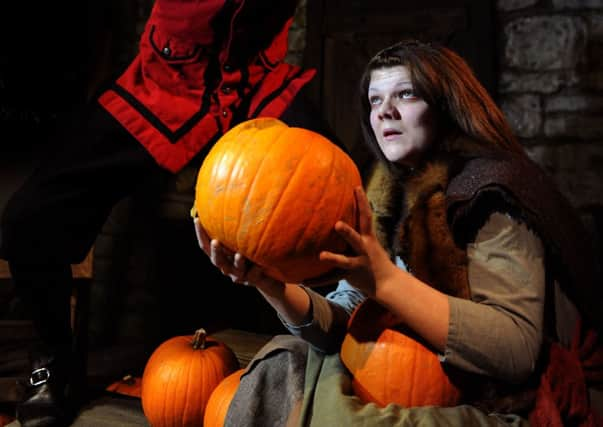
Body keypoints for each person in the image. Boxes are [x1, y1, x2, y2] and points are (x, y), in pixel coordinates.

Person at [194, 39, 603, 425]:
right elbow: (343, 321)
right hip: (411, 371)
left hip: (505, 397)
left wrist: (385, 280)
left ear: (448, 106)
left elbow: (517, 351)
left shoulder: (490, 194)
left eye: (405, 94)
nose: (384, 111)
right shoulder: (386, 195)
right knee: (284, 360)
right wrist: (271, 284)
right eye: (375, 100)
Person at [0, 1, 336, 426]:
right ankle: (51, 359)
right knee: (28, 220)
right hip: (163, 87)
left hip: (258, 86)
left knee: (337, 207)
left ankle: (334, 359)